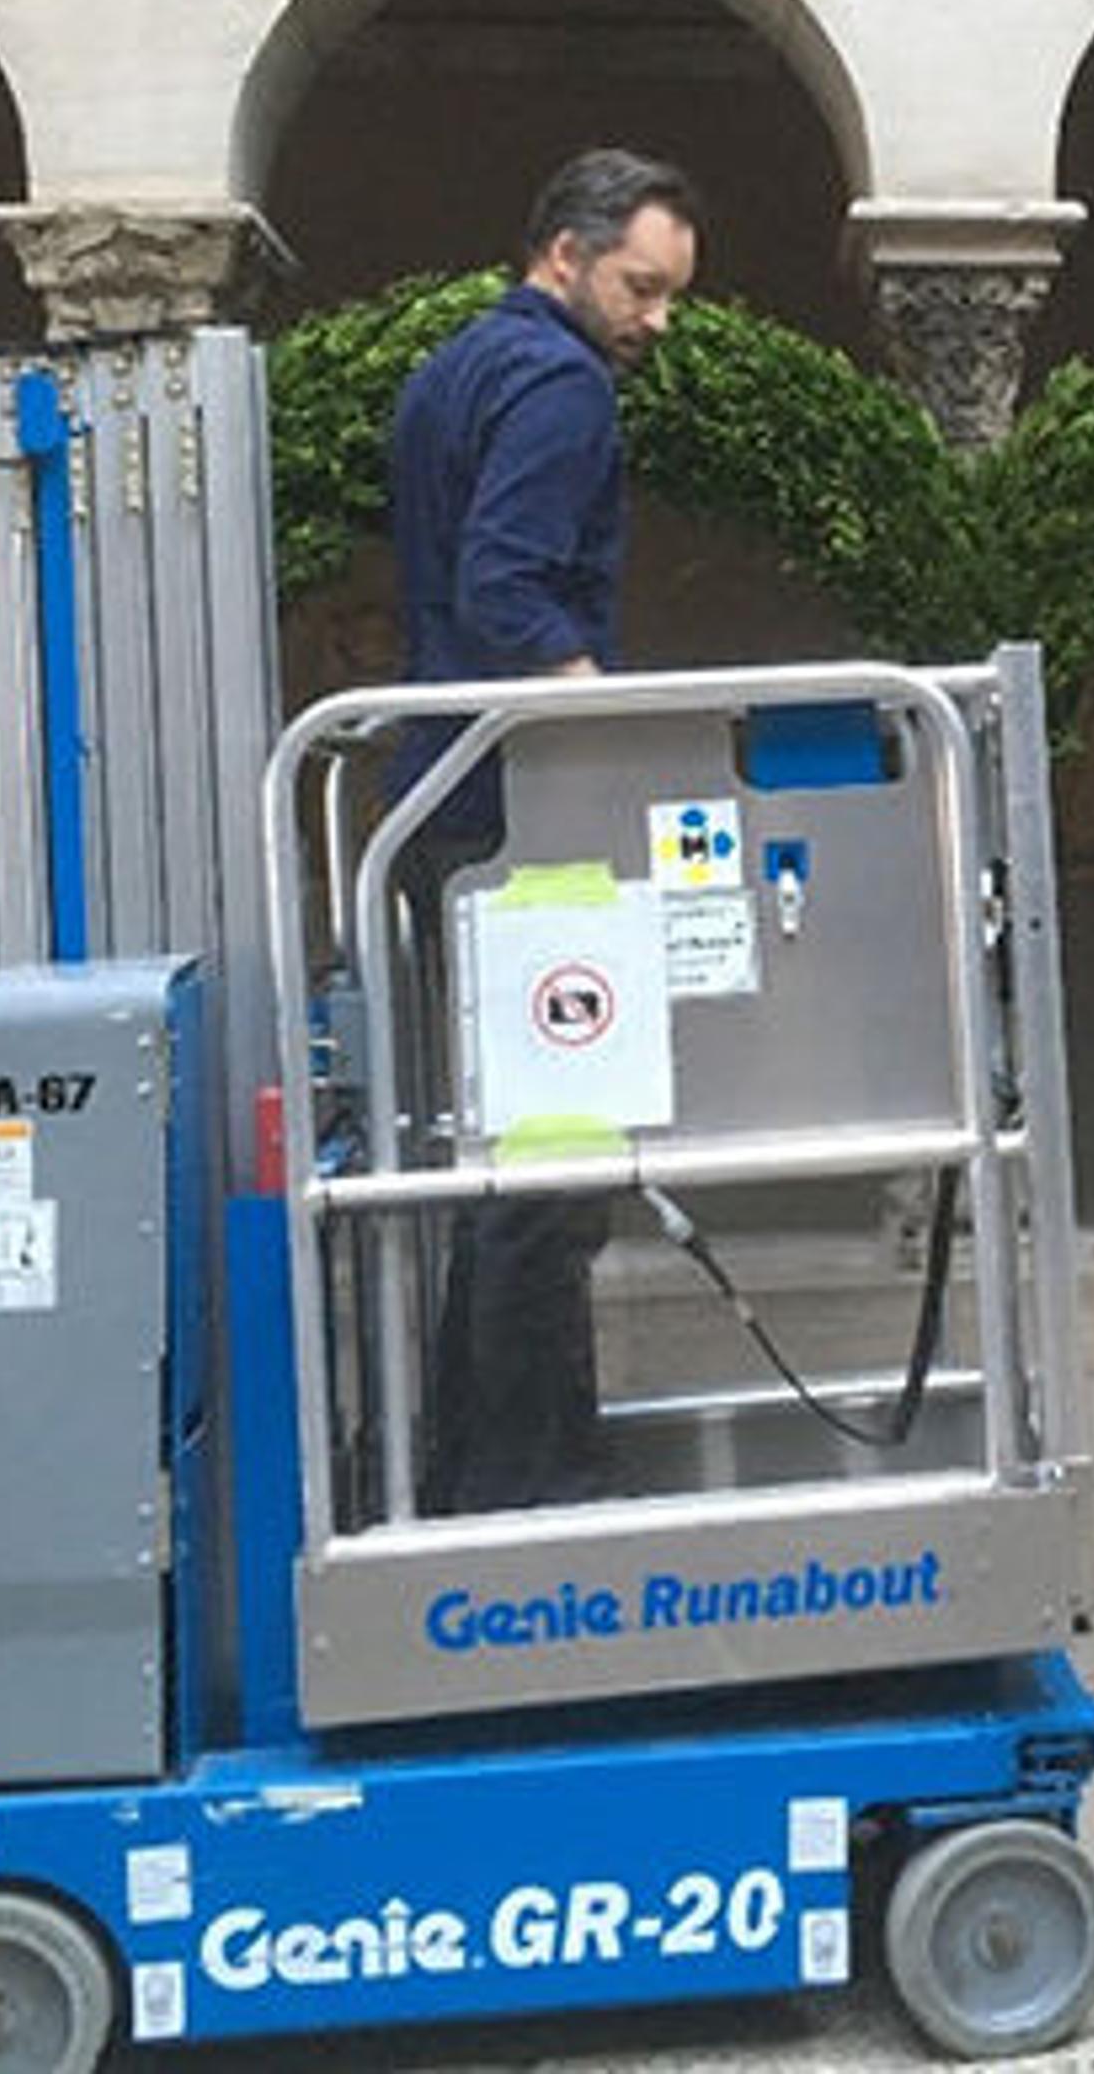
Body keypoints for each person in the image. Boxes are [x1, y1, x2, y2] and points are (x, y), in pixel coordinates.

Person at [389, 146, 700, 1509]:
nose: (657, 322)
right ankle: (531, 1490)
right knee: (554, 1169)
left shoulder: (456, 367)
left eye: (671, 295)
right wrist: (613, 736)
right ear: (563, 257)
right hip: (522, 807)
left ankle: (488, 1468)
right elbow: (509, 589)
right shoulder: (560, 384)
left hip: (443, 795)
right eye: (641, 287)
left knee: (509, 1158)